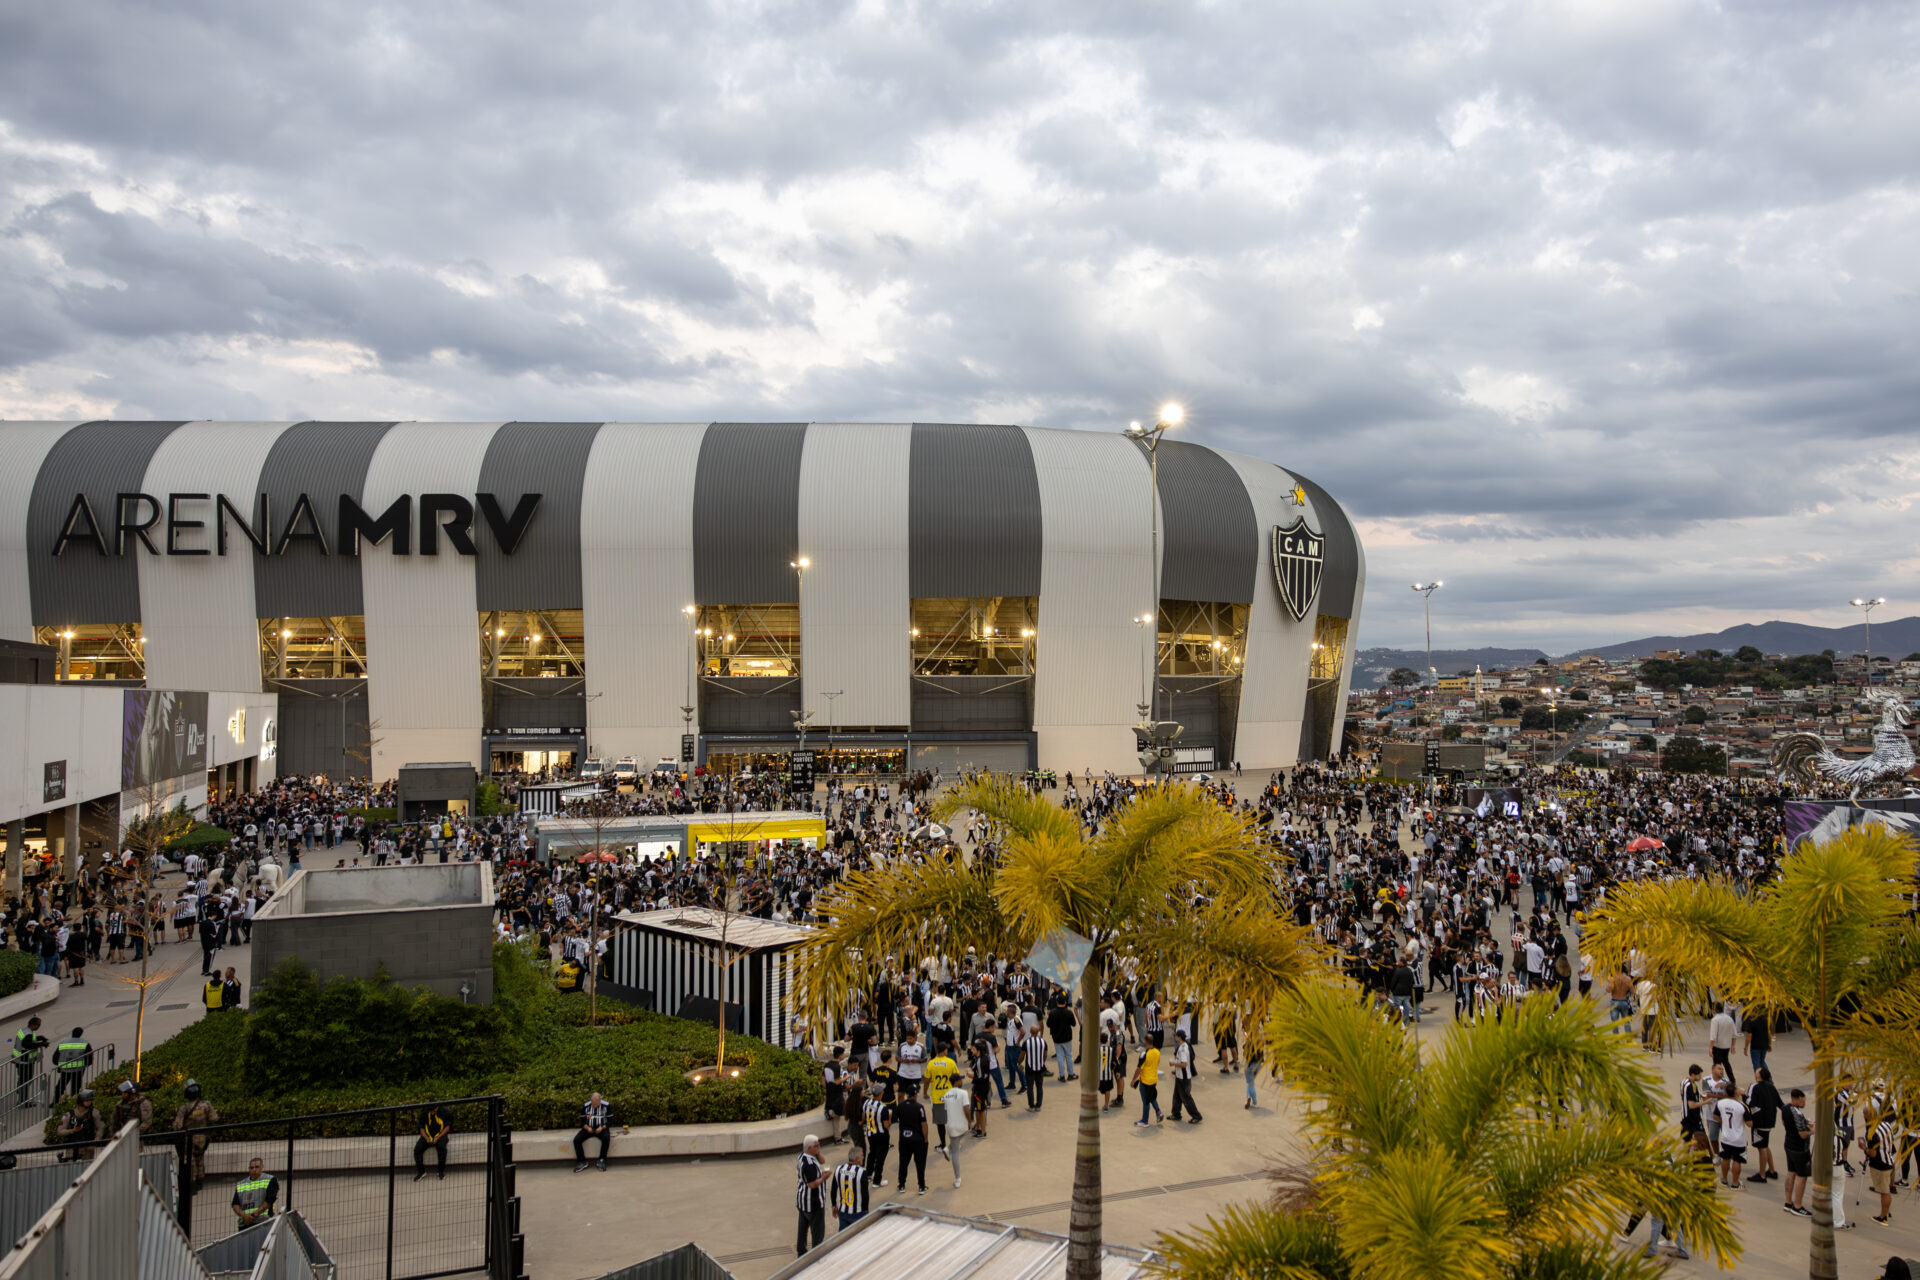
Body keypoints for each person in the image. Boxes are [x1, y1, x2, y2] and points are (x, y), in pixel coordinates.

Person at [173, 1078, 219, 1188]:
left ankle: (192, 1182)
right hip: (203, 1137)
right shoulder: (206, 1105)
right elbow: (214, 1118)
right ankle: (200, 1181)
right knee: (200, 1158)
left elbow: (177, 1126)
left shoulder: (184, 1108)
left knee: (190, 1160)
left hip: (189, 1138)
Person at [1744, 1067, 1781, 1184]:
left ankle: (1762, 1175)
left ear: (1759, 1075)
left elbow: (1750, 1103)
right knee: (1765, 1144)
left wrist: (1742, 1095)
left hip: (1760, 1121)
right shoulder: (1771, 1087)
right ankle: (1772, 1170)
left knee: (1762, 1148)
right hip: (1770, 1121)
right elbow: (1779, 1103)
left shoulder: (1755, 1087)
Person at [1780, 1087, 1813, 1216]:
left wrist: (1805, 1123)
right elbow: (1803, 1134)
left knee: (1790, 1172)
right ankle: (1798, 1206)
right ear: (1796, 1099)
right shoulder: (1797, 1114)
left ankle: (1788, 1202)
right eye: (1802, 1101)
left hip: (1788, 1143)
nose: (1804, 1104)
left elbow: (1784, 1123)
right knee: (1802, 1176)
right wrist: (1812, 1131)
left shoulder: (1785, 1108)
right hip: (1800, 1148)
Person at [795, 1135, 829, 1256]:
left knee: (802, 1230)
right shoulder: (808, 1165)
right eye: (816, 1145)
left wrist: (817, 1151)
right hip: (813, 1203)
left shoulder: (803, 1156)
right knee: (818, 1233)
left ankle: (801, 1252)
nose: (819, 1147)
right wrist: (823, 1177)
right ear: (809, 1148)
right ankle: (816, 1255)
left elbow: (822, 1161)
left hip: (802, 1201)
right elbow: (812, 1184)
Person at [894, 1085, 930, 1195]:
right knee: (920, 1163)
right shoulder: (919, 1107)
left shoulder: (900, 1106)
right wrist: (926, 1138)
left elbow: (895, 1118)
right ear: (915, 1094)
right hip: (918, 1140)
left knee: (903, 1162)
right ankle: (921, 1186)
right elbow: (924, 1124)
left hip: (904, 1139)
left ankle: (901, 1185)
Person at [1866, 1107, 1897, 1226]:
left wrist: (1865, 1149)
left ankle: (1883, 1217)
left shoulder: (1872, 1131)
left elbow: (1873, 1153)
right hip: (1888, 1160)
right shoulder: (1886, 1125)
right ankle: (1886, 1212)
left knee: (1885, 1192)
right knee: (1885, 1190)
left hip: (1880, 1164)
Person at [1714, 1089, 1749, 1188]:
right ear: (1735, 1093)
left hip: (1726, 1137)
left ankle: (1724, 1180)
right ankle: (1735, 1183)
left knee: (1725, 1158)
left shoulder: (1720, 1103)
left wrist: (1724, 1122)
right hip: (1739, 1139)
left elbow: (1715, 1116)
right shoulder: (1741, 1106)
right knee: (1737, 1160)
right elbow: (1749, 1123)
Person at [940, 1080, 971, 1189]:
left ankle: (948, 1149)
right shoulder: (963, 1093)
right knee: (956, 1152)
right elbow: (966, 1108)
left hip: (951, 1126)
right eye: (961, 1080)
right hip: (962, 1125)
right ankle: (957, 1178)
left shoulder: (946, 1095)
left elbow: (946, 1110)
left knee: (955, 1147)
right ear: (957, 1081)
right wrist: (969, 1120)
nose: (962, 1081)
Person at [860, 1089, 893, 1190]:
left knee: (872, 1153)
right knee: (880, 1157)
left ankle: (868, 1174)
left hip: (870, 1133)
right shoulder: (883, 1107)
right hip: (881, 1135)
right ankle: (877, 1181)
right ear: (881, 1093)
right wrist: (890, 1116)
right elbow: (886, 1125)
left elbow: (863, 1117)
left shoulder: (866, 1102)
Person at [232, 1157, 279, 1227]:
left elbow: (270, 1200)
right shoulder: (241, 1184)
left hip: (263, 1222)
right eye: (251, 1167)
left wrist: (254, 1215)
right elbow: (235, 1204)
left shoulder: (270, 1180)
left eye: (256, 1167)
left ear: (262, 1167)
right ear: (249, 1169)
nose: (254, 1169)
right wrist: (244, 1216)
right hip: (245, 1223)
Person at [58, 1088, 104, 1160]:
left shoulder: (94, 1113)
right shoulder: (68, 1114)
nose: (89, 1102)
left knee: (87, 1168)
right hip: (72, 1147)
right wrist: (72, 1130)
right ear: (81, 1101)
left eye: (90, 1100)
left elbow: (101, 1127)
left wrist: (95, 1142)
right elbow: (60, 1131)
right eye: (87, 1100)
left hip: (87, 1147)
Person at [11, 1016, 48, 1105]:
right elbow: (27, 1045)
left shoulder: (24, 1030)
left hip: (18, 1059)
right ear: (34, 1025)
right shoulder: (29, 1034)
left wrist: (40, 1038)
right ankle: (24, 1101)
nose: (39, 1026)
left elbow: (29, 1040)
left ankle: (21, 1094)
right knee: (26, 1080)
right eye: (38, 1025)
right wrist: (41, 1044)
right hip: (25, 1061)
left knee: (23, 1079)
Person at [1169, 1027, 1203, 1125]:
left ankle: (1196, 1116)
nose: (1175, 1037)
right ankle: (1176, 1114)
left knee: (1186, 1098)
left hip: (1183, 1078)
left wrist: (1174, 1064)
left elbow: (1184, 1064)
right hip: (1179, 1077)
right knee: (1176, 1096)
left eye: (1176, 1036)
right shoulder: (1184, 1045)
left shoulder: (1183, 1049)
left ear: (1179, 1037)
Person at [831, 1146, 869, 1232]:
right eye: (862, 1156)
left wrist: (834, 1205)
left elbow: (833, 1189)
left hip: (843, 1211)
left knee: (844, 1238)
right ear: (857, 1158)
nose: (863, 1157)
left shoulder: (838, 1169)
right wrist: (866, 1211)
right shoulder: (862, 1172)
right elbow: (865, 1194)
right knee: (860, 1238)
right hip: (858, 1213)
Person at [50, 1026, 92, 1103]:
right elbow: (89, 1057)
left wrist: (59, 1065)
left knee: (61, 1085)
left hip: (65, 1069)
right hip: (78, 1069)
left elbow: (55, 1057)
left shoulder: (63, 1043)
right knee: (75, 1086)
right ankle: (73, 1101)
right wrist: (85, 1065)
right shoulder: (85, 1043)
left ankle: (55, 1101)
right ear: (81, 1034)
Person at [572, 1093, 611, 1172]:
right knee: (576, 1140)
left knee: (606, 1138)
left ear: (600, 1100)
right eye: (593, 1103)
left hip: (601, 1128)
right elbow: (582, 1122)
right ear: (590, 1101)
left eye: (597, 1103)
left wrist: (602, 1127)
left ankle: (601, 1160)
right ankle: (582, 1161)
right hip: (588, 1128)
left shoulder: (606, 1106)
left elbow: (610, 1121)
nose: (595, 1105)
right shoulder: (586, 1106)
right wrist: (587, 1127)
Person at [1133, 1032, 1163, 1126]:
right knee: (1152, 1097)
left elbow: (1138, 1068)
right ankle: (1158, 1112)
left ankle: (1145, 1121)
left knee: (1146, 1101)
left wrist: (1133, 1080)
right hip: (1153, 1080)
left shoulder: (1144, 1054)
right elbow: (1157, 1064)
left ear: (1145, 1042)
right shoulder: (1157, 1052)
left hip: (1145, 1081)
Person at [414, 1105, 450, 1181]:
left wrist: (438, 1137)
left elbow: (447, 1127)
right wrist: (427, 1138)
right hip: (427, 1135)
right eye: (430, 1110)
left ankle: (441, 1171)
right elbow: (422, 1128)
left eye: (433, 1110)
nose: (431, 1112)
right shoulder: (424, 1112)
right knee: (417, 1150)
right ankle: (421, 1171)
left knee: (442, 1148)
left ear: (436, 1108)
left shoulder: (444, 1112)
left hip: (440, 1134)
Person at [1020, 1022, 1047, 1110]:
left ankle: (1031, 1106)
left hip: (1030, 1068)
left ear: (1030, 1032)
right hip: (1040, 1068)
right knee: (1039, 1087)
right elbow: (1045, 1054)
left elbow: (1022, 1055)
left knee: (1030, 1087)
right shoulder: (1043, 1042)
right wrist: (1042, 1062)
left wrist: (1019, 1063)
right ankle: (1038, 1105)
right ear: (1038, 1032)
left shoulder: (1026, 1042)